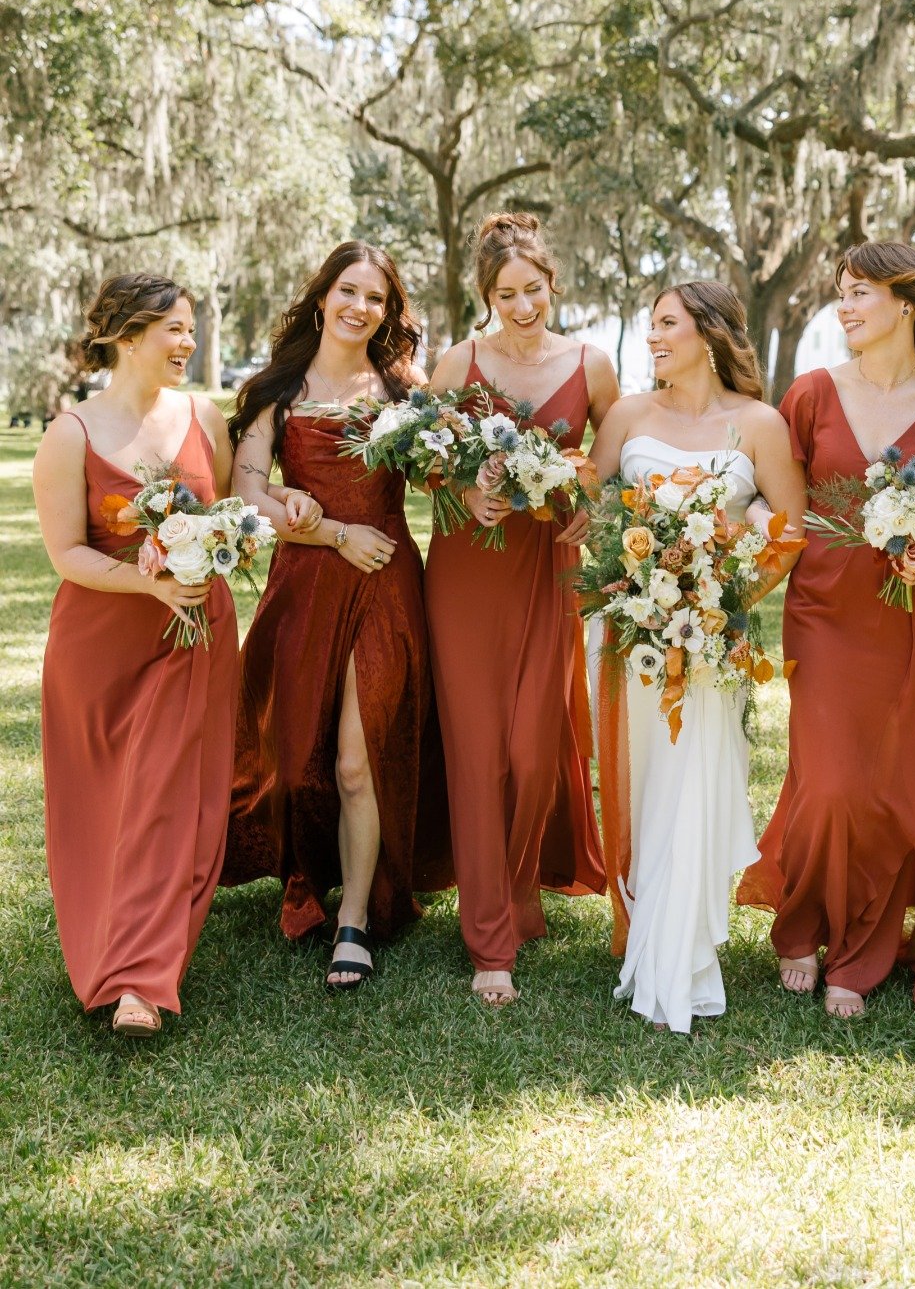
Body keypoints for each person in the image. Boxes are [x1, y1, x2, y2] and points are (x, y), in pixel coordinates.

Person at [739, 242, 915, 1021]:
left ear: (907, 304)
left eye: (860, 293)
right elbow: (761, 493)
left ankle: (858, 950)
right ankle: (801, 923)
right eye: (840, 294)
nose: (845, 307)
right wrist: (764, 531)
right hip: (822, 610)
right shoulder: (812, 393)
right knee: (827, 782)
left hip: (908, 616)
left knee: (886, 787)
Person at [222, 241, 452, 989]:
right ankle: (307, 874)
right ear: (321, 296)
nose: (360, 307)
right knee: (297, 761)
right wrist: (324, 530)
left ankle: (353, 917)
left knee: (360, 758)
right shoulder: (275, 389)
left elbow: (433, 476)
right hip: (307, 581)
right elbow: (247, 493)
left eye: (377, 298)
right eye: (348, 291)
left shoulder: (402, 388)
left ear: (389, 311)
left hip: (385, 580)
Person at [587, 281, 806, 1034]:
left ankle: (678, 961)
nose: (653, 337)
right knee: (642, 781)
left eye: (667, 325)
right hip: (631, 630)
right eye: (650, 325)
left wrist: (728, 587)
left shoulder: (759, 424)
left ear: (708, 335)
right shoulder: (627, 415)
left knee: (693, 778)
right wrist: (627, 565)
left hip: (712, 636)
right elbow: (590, 509)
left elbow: (789, 533)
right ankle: (643, 927)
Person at [33, 273, 241, 1033]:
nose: (188, 343)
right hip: (101, 639)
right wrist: (146, 582)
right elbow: (66, 555)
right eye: (174, 330)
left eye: (190, 329)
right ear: (127, 337)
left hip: (194, 631)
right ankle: (107, 941)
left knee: (165, 796)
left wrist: (206, 560)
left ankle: (141, 981)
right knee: (105, 803)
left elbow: (221, 519)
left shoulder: (205, 420)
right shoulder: (71, 434)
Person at [424, 212, 618, 1005]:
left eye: (533, 289)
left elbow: (614, 446)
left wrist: (591, 501)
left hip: (550, 567)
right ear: (486, 294)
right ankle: (489, 937)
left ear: (553, 283)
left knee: (536, 750)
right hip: (470, 566)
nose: (522, 304)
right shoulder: (456, 360)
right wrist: (463, 486)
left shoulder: (593, 363)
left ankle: (516, 888)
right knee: (478, 753)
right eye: (506, 293)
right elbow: (421, 457)